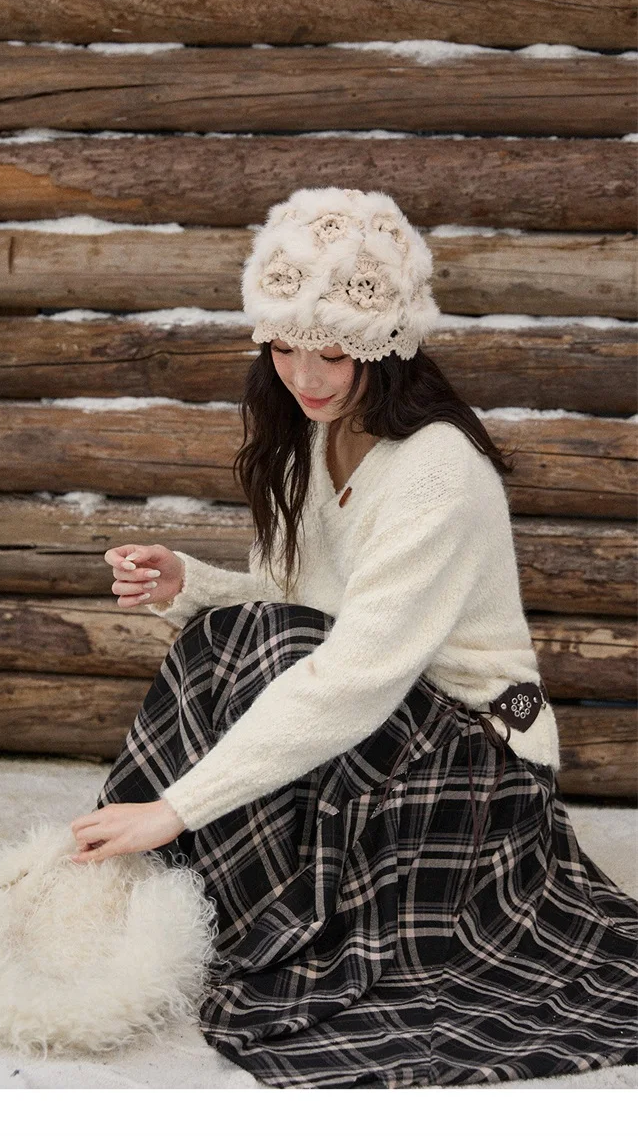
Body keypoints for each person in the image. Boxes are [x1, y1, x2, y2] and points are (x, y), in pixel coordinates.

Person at [68, 187, 638, 1090]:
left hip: (479, 761)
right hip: (387, 724)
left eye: (333, 352)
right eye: (283, 347)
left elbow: (353, 670)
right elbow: (291, 603)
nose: (306, 375)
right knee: (226, 635)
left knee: (261, 646)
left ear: (387, 344)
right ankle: (144, 886)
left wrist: (177, 806)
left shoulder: (437, 470)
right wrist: (190, 585)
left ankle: (172, 861)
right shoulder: (314, 436)